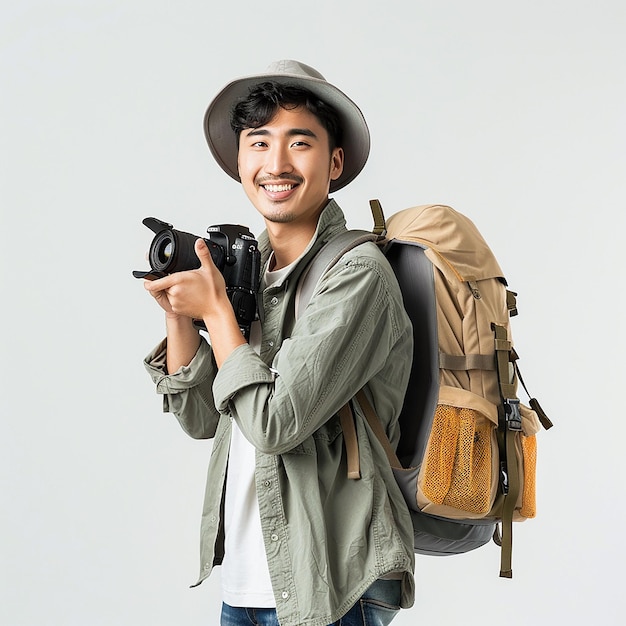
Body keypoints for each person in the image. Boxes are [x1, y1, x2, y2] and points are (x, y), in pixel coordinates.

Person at [142, 59, 415, 626]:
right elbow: (199, 419)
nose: (276, 164)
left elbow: (276, 424)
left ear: (334, 161)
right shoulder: (251, 272)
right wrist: (179, 314)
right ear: (240, 160)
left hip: (333, 584)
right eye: (259, 143)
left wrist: (216, 312)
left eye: (300, 143)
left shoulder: (356, 274)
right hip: (246, 584)